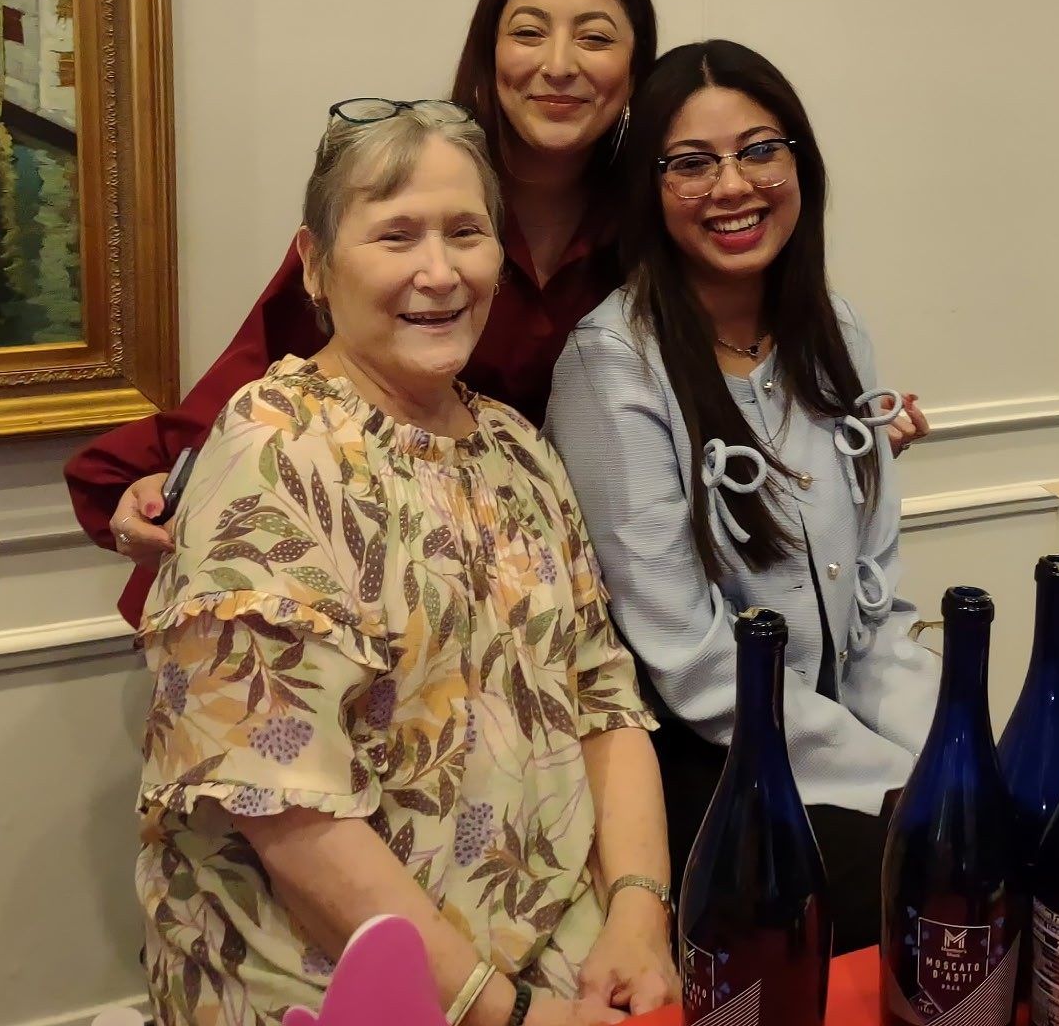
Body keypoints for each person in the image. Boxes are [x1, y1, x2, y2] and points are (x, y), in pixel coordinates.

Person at [138, 101, 678, 1026]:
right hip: (343, 988)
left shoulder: (516, 446)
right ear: (313, 263)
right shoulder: (273, 451)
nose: (439, 271)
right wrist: (503, 1013)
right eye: (395, 235)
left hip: (562, 962)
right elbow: (285, 809)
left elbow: (603, 699)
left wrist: (640, 914)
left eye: (466, 232)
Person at [67, 0, 659, 627]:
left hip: (544, 596)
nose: (559, 65)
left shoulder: (655, 225)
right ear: (488, 50)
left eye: (595, 38)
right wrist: (161, 482)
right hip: (347, 583)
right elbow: (260, 369)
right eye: (529, 32)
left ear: (636, 64)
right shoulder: (398, 188)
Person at [545, 40, 939, 955]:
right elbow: (691, 665)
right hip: (708, 766)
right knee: (921, 879)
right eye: (692, 164)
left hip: (836, 734)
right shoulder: (612, 367)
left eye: (761, 149)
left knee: (1001, 828)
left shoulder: (836, 333)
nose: (734, 186)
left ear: (799, 161)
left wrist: (946, 762)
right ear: (650, 191)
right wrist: (891, 783)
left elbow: (881, 606)